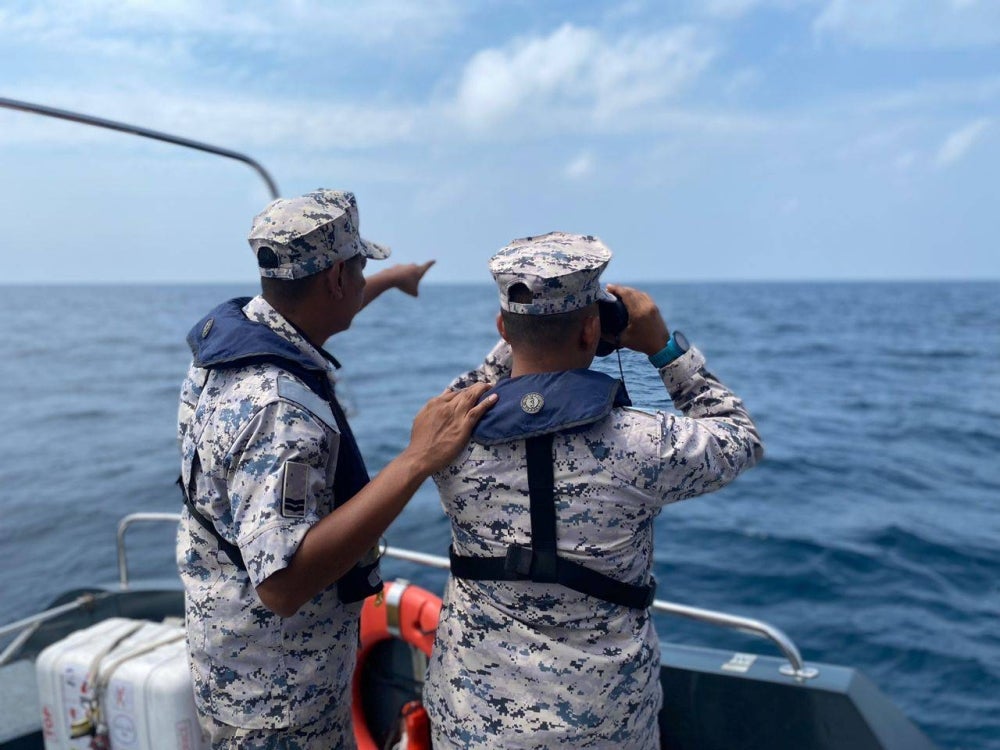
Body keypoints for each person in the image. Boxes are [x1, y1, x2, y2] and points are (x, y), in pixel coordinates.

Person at [175, 188, 495, 749]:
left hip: (235, 662)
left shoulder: (241, 335)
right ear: (334, 280)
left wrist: (395, 279)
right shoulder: (281, 412)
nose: (361, 281)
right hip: (278, 704)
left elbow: (320, 311)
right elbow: (281, 584)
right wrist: (419, 458)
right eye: (360, 268)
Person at [423, 231, 764, 749]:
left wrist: (524, 329)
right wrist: (664, 348)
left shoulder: (442, 434)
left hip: (470, 720)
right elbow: (739, 437)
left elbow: (470, 386)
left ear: (501, 329)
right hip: (604, 726)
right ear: (592, 331)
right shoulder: (645, 444)